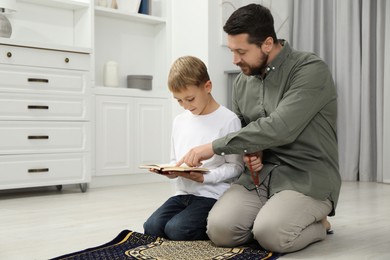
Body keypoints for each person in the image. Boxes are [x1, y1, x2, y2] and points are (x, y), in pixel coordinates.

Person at [176, 4, 341, 253]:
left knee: (271, 235)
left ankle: (319, 223)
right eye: (232, 50)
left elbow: (281, 127)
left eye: (241, 51)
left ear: (267, 43)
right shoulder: (242, 81)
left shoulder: (309, 70)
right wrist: (254, 151)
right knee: (220, 230)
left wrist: (212, 147)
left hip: (306, 177)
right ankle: (273, 217)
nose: (234, 59)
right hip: (260, 177)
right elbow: (247, 130)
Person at [143, 55, 244, 240]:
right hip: (183, 193)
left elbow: (236, 167)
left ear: (207, 87)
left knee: (177, 229)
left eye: (190, 99)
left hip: (212, 195)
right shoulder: (179, 121)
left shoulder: (228, 120)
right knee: (151, 227)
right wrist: (170, 171)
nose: (186, 106)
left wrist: (205, 178)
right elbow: (176, 160)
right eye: (179, 101)